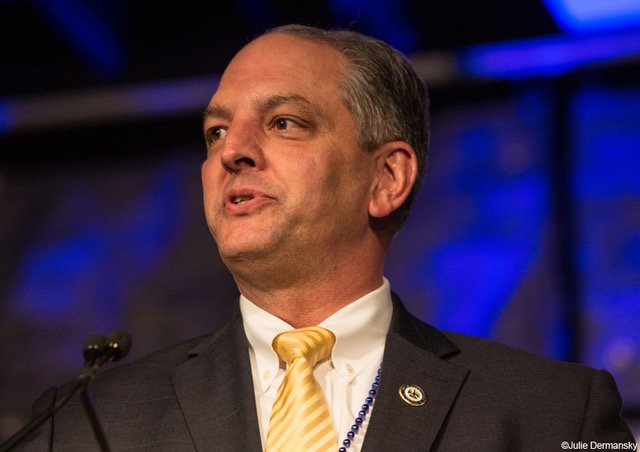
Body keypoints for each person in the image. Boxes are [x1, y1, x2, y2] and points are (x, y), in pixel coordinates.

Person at [18, 24, 634, 451]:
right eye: (214, 133)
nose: (232, 151)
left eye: (284, 123)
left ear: (387, 177)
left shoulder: (553, 413)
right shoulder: (86, 420)